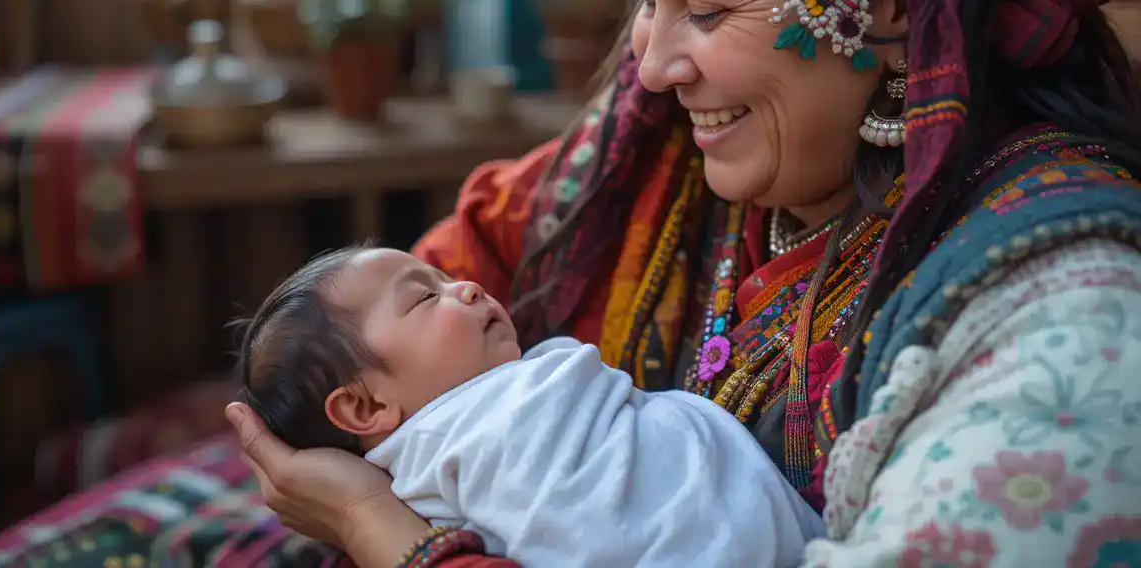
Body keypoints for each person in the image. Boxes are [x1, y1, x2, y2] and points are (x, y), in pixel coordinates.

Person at [222, 0, 1141, 567]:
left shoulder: (1063, 321)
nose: (652, 66)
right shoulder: (665, 165)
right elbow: (405, 303)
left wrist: (385, 534)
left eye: (703, 9)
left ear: (898, 1)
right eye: (646, 0)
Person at [239, 245, 824, 567]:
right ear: (366, 409)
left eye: (445, 277)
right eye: (424, 298)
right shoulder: (436, 465)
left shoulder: (510, 389)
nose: (465, 287)